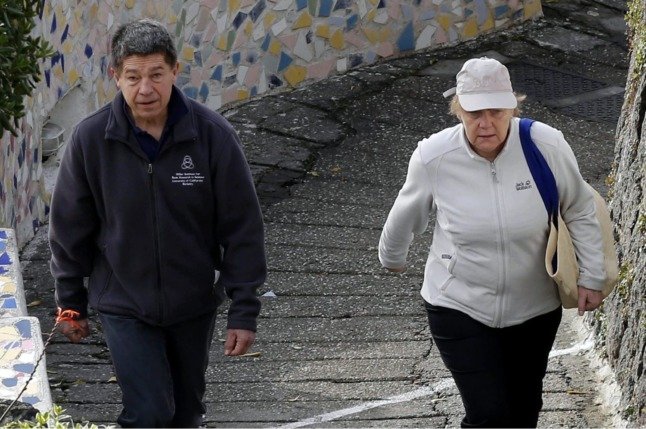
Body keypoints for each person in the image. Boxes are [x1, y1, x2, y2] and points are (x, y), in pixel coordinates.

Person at [48, 18, 267, 428]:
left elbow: (242, 226)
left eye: (156, 75)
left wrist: (244, 309)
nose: (145, 89)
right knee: (148, 413)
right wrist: (70, 300)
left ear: (175, 72)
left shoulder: (213, 136)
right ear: (116, 76)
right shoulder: (90, 140)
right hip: (123, 301)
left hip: (193, 301)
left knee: (186, 415)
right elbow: (69, 225)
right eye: (133, 77)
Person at [378, 57, 606, 428]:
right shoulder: (434, 156)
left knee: (523, 409)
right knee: (489, 415)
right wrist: (392, 256)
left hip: (534, 306)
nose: (486, 124)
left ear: (513, 107)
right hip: (458, 304)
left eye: (497, 111)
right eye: (474, 113)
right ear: (459, 112)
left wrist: (592, 276)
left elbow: (579, 209)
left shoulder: (546, 145)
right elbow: (405, 212)